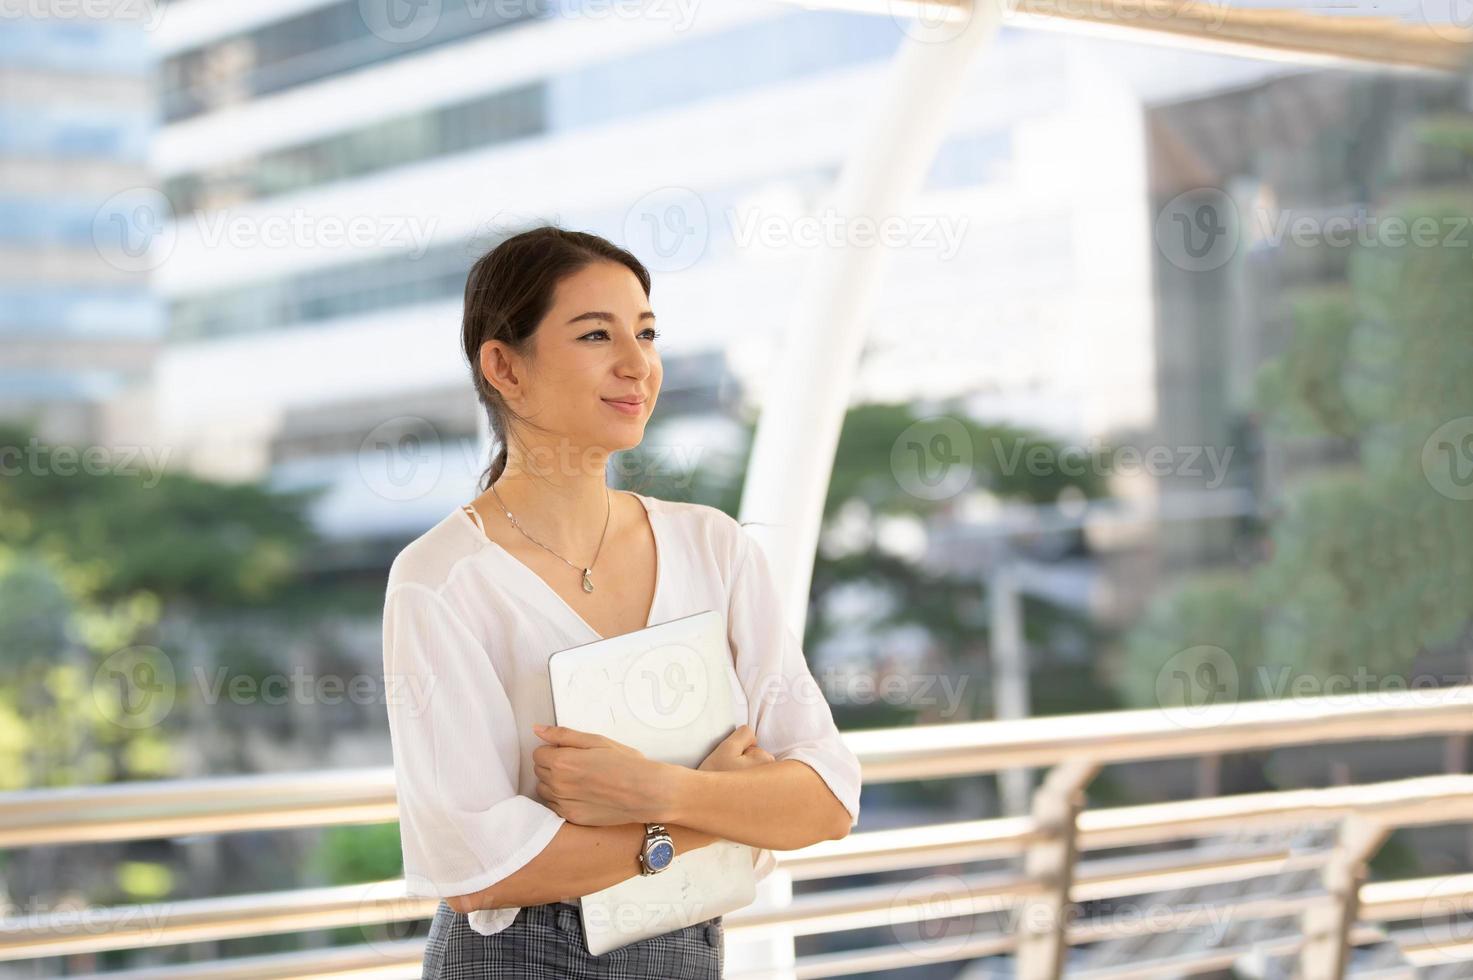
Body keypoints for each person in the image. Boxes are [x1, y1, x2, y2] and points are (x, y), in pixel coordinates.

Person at [380, 225, 862, 978]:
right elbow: (480, 872)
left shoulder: (714, 547)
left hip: (687, 946)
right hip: (518, 957)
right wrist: (715, 806)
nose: (637, 364)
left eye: (646, 332)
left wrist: (652, 790)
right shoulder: (441, 581)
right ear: (504, 366)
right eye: (596, 334)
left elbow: (827, 798)